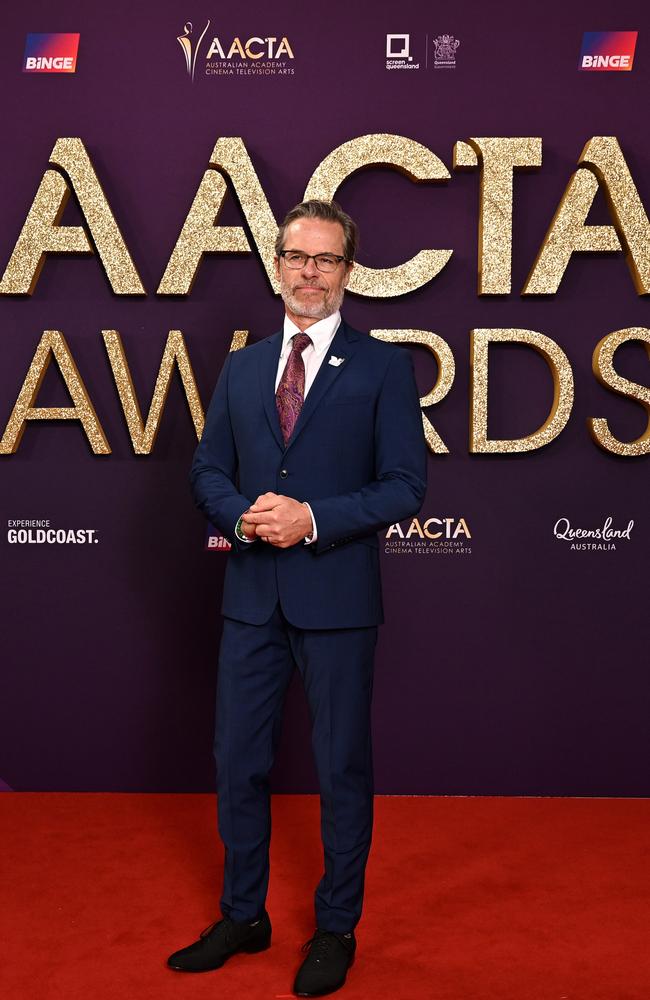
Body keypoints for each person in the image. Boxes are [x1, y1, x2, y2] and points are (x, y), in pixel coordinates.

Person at [167, 199, 427, 996]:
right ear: (277, 264)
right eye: (296, 256)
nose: (308, 272)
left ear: (349, 271)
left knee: (341, 768)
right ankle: (244, 914)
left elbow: (405, 486)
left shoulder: (383, 367)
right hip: (251, 598)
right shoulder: (243, 367)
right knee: (237, 763)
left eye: (326, 259)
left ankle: (337, 927)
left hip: (339, 601)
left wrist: (312, 518)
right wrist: (242, 516)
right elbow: (207, 468)